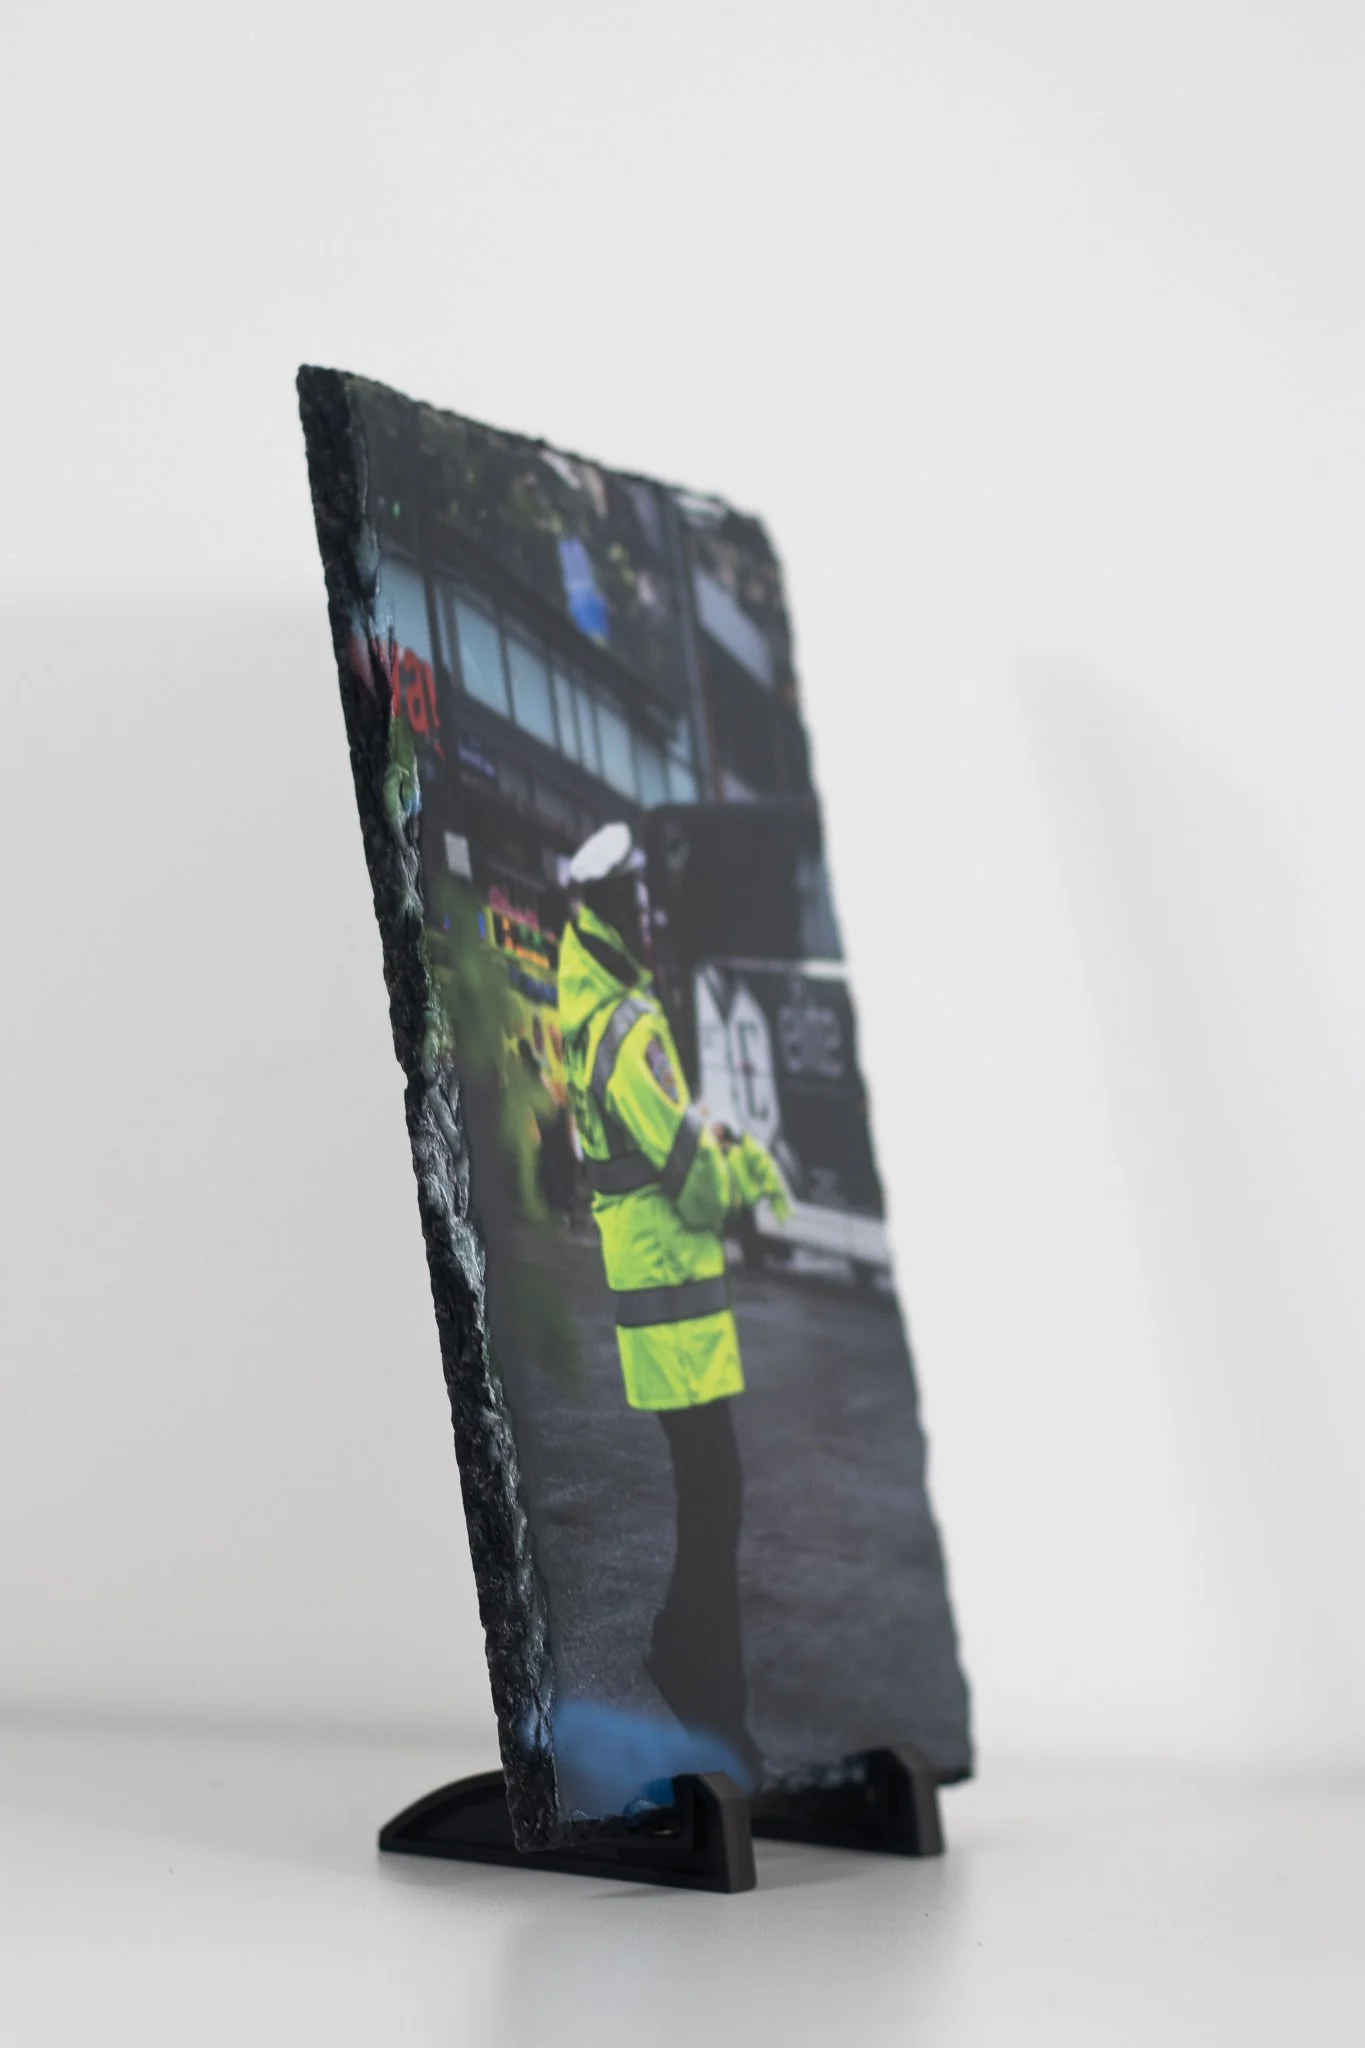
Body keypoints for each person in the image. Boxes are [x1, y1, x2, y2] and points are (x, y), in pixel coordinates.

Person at [556, 821, 789, 1786]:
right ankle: (709, 1702)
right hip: (674, 1301)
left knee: (709, 1489)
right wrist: (742, 1164)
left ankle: (682, 1655)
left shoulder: (596, 1004)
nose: (649, 913)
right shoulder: (628, 1027)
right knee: (715, 1491)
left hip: (654, 1295)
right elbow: (691, 1178)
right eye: (638, 899)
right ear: (610, 907)